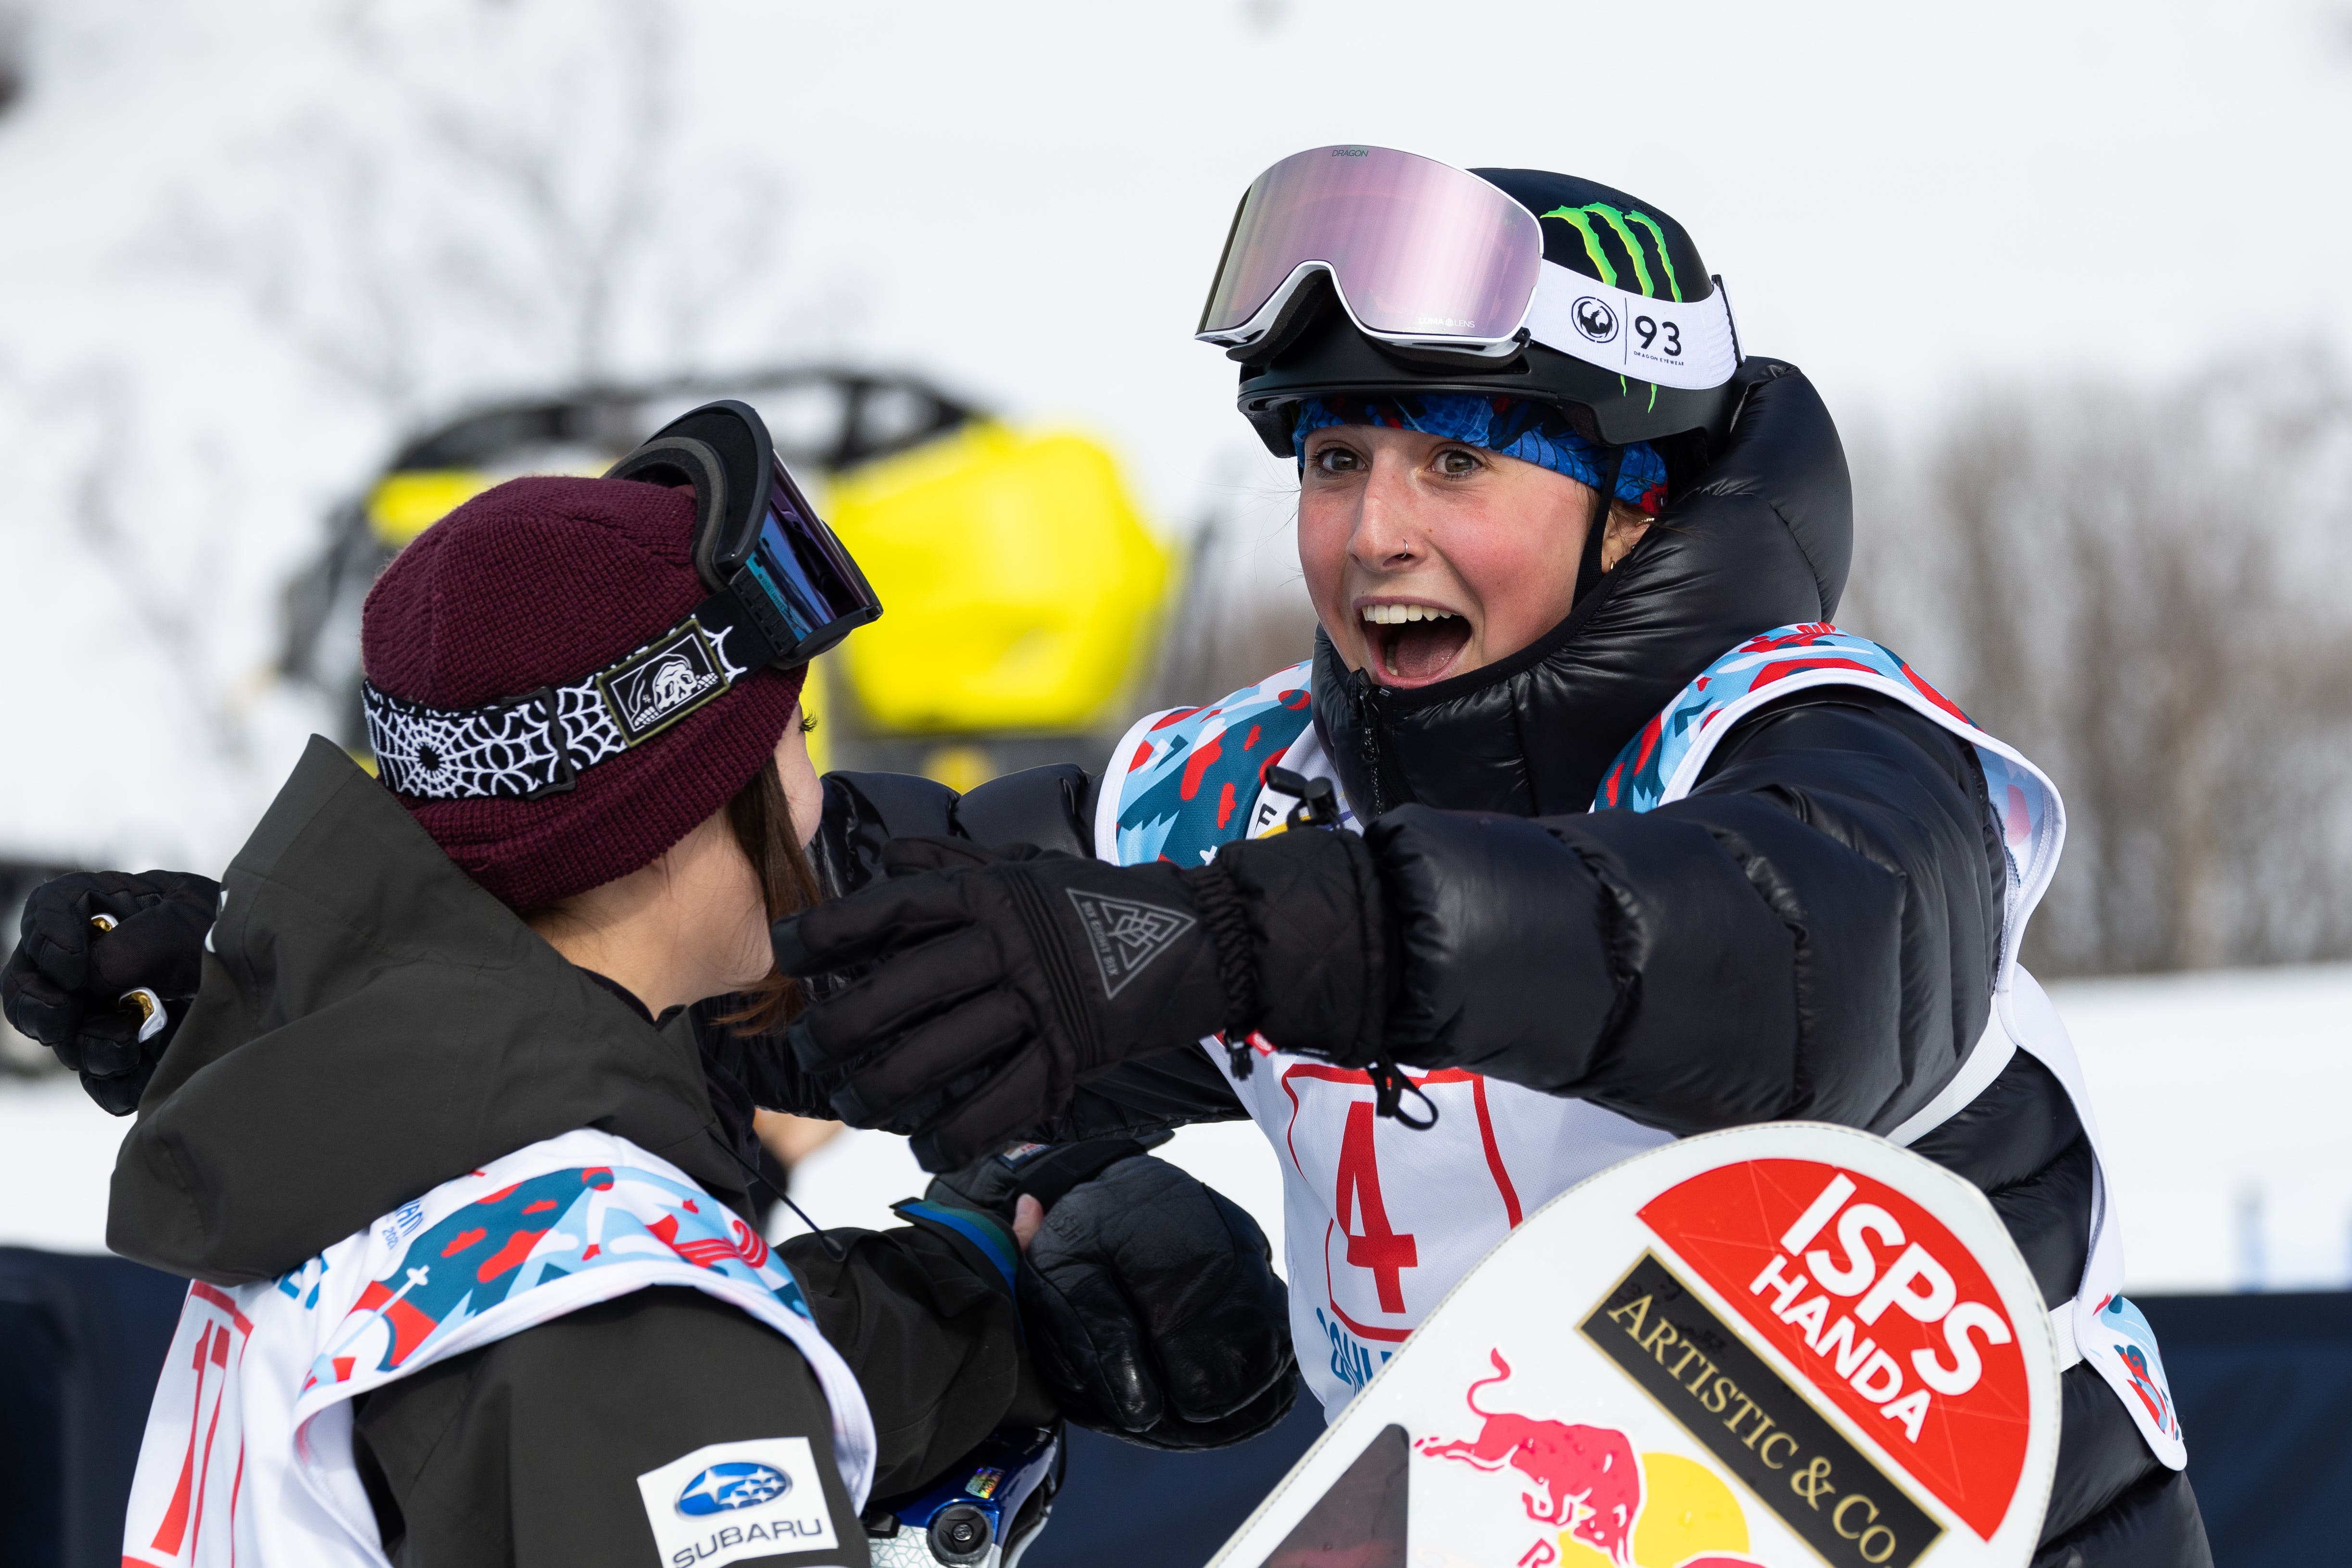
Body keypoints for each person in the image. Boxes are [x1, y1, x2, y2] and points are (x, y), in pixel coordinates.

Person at [11, 155, 2206, 1564]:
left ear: (1630, 493)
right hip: (1515, 1518)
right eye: (1331, 456)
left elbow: (1811, 960)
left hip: (1969, 1508)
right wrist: (338, 957)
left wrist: (1255, 941)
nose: (1370, 529)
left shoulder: (1811, 734)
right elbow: (765, 876)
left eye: (1454, 457)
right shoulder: (1244, 785)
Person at [3, 404, 1291, 1568]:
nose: (822, 807)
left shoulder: (354, 1148)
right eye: (799, 742)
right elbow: (625, 1377)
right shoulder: (620, 1315)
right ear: (679, 807)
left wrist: (974, 1293)